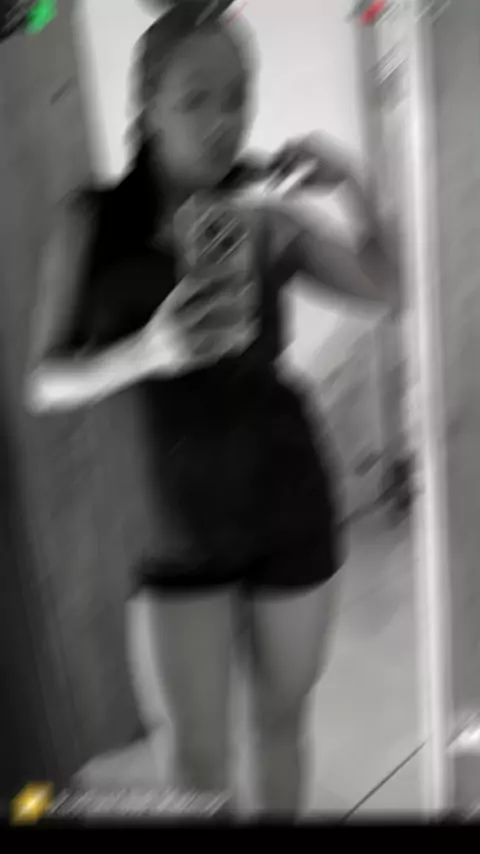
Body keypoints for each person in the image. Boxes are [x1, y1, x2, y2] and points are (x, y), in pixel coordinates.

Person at [25, 0, 399, 817]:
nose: (225, 119)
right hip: (171, 524)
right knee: (195, 764)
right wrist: (145, 353)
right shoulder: (90, 222)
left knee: (279, 726)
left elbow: (387, 289)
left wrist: (352, 185)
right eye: (197, 98)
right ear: (146, 103)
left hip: (288, 499)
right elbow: (44, 383)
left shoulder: (265, 215)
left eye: (239, 95)